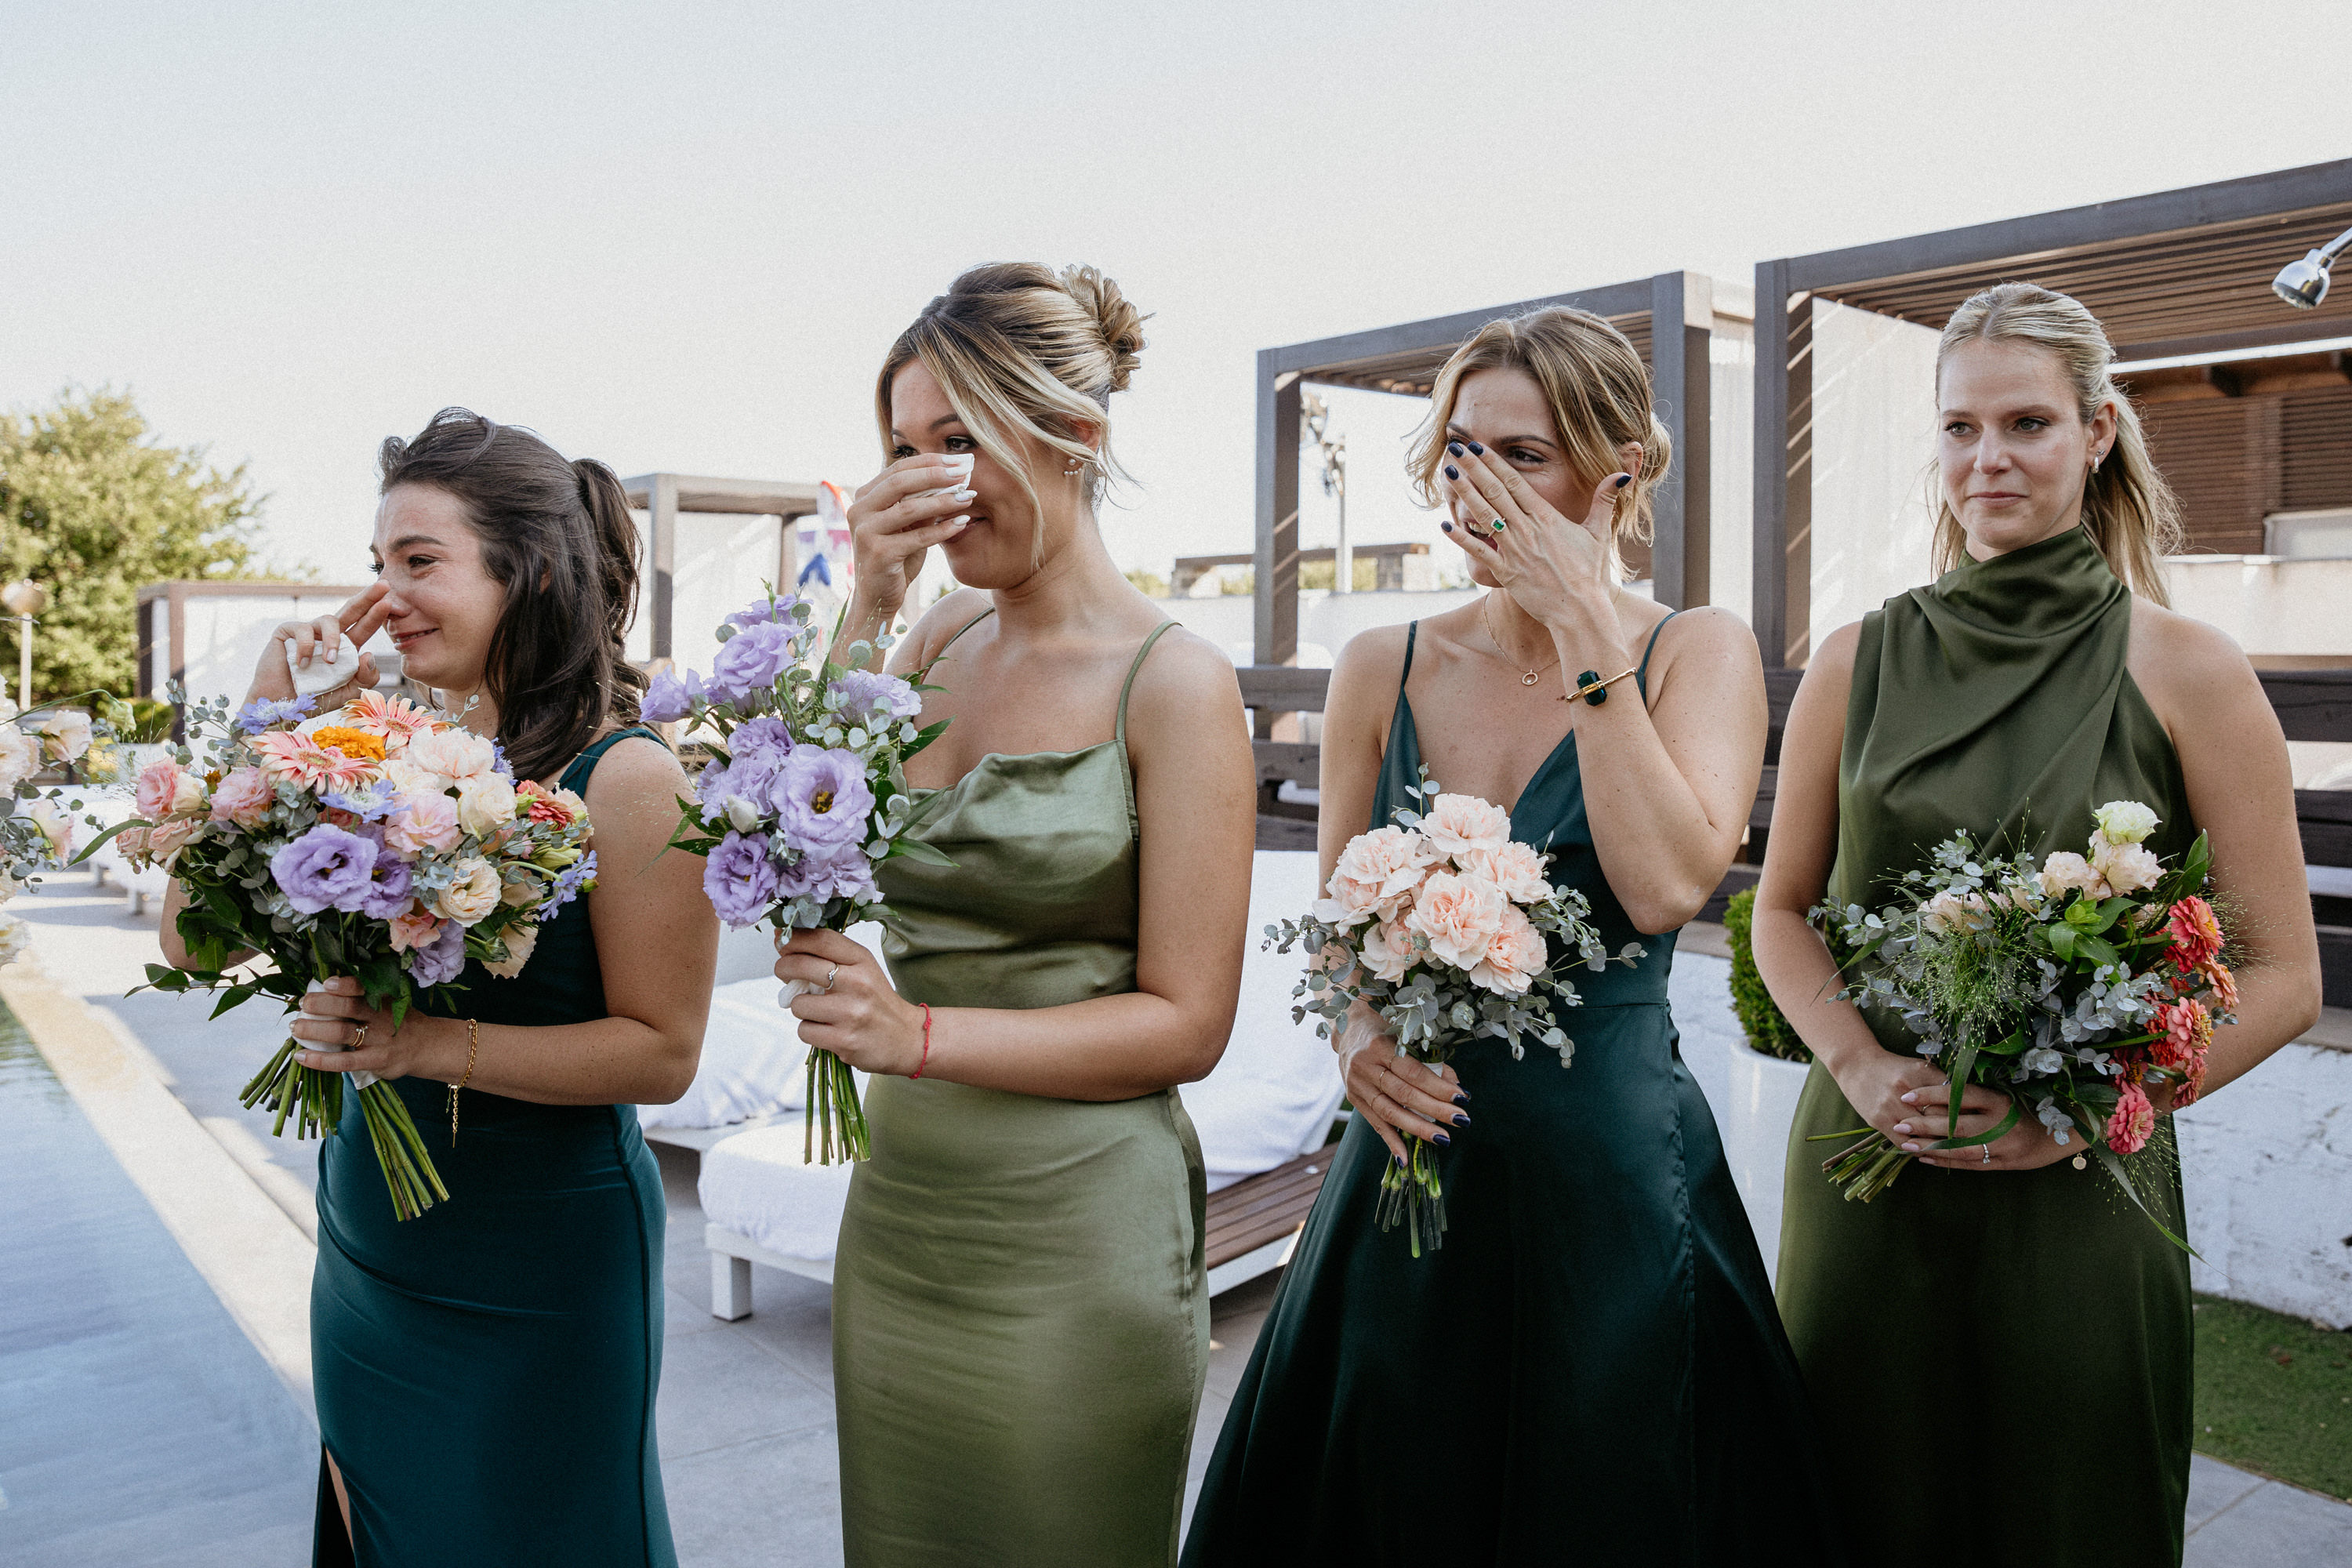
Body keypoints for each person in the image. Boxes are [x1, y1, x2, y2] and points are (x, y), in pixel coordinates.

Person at [1183, 307, 1846, 1564]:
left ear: (1617, 475)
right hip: (1407, 1169)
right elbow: (1339, 922)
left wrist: (1587, 627)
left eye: (1523, 456)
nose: (1476, 486)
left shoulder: (1697, 650)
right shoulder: (1380, 664)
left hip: (1608, 1176)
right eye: (1460, 452)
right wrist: (1356, 1038)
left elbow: (1665, 887)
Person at [1752, 283, 2323, 1566]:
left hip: (2082, 1191)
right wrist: (1858, 1064)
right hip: (1868, 1167)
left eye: (2027, 424)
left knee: (2070, 1515)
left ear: (2098, 431)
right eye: (1960, 428)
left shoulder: (2192, 669)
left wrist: (2078, 1115)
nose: (1987, 459)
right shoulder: (1853, 659)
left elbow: (2284, 976)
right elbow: (1780, 911)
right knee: (1852, 1503)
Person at [161, 408, 717, 1566]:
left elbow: (663, 1053)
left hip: (538, 1262)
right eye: (379, 563)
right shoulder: (375, 750)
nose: (387, 595)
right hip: (371, 1243)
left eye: (421, 561)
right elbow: (189, 948)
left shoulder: (631, 779)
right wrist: (272, 723)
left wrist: (419, 1047)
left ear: (532, 571)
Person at [767, 263, 1256, 1566]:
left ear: (1075, 437)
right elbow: (798, 842)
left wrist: (915, 1034)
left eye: (962, 439)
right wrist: (868, 604)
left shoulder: (1175, 683)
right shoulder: (931, 645)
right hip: (901, 1220)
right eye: (904, 449)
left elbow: (1188, 1024)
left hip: (1076, 1240)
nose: (929, 480)